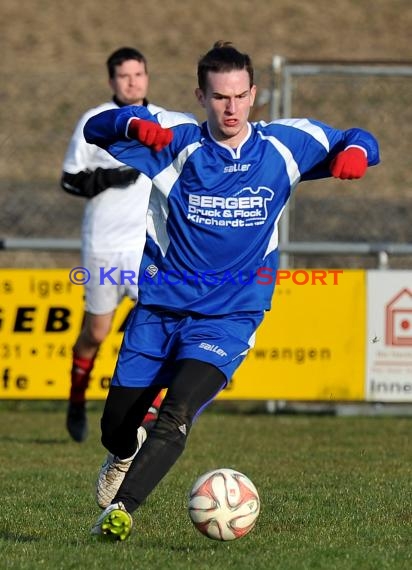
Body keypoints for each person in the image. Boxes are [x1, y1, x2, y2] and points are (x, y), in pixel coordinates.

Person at [83, 41, 380, 541]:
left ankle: (122, 511)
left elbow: (360, 137)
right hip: (159, 309)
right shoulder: (176, 140)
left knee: (176, 413)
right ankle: (123, 447)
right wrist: (133, 124)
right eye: (220, 97)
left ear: (254, 95)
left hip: (231, 314)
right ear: (201, 95)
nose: (231, 108)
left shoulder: (286, 145)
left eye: (240, 96)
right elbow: (96, 129)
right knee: (115, 425)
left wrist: (354, 152)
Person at [61, 47, 176, 444]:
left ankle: (152, 411)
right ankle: (77, 400)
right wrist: (114, 176)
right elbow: (70, 179)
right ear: (112, 81)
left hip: (149, 247)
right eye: (124, 76)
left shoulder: (164, 121)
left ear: (147, 76)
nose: (133, 82)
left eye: (139, 74)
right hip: (104, 244)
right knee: (96, 331)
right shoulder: (94, 122)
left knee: (163, 325)